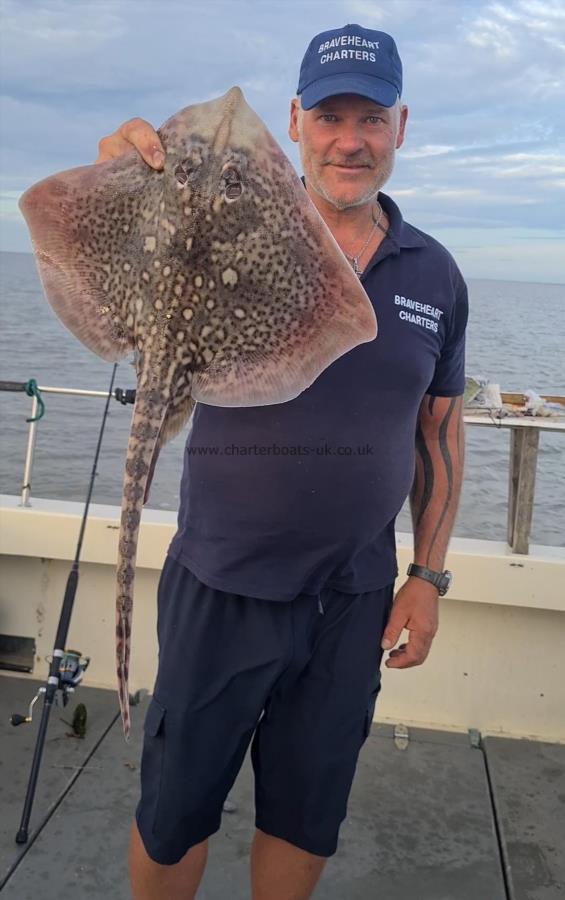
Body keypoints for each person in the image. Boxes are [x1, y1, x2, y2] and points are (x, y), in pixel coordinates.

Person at [96, 23, 467, 900]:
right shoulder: (227, 219)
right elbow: (142, 244)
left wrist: (428, 576)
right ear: (294, 120)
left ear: (400, 127)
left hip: (352, 596)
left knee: (305, 812)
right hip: (224, 582)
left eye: (369, 118)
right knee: (176, 806)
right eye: (330, 115)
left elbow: (438, 430)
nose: (350, 138)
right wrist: (122, 177)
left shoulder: (435, 274)